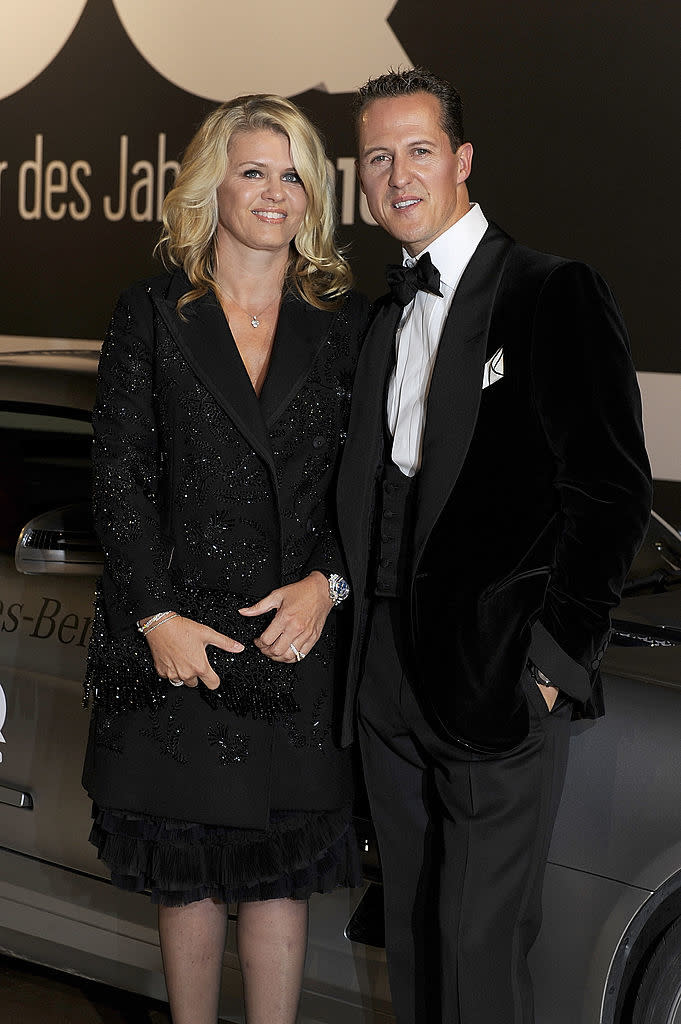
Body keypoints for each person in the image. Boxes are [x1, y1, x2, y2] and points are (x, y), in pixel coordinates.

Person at [336, 68, 652, 1024]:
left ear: (462, 161)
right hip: (385, 678)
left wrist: (553, 663)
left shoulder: (549, 292)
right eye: (378, 158)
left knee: (481, 946)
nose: (398, 175)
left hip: (498, 683)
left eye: (418, 151)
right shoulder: (382, 316)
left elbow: (610, 491)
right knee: (416, 938)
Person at [82, 94, 367, 1024]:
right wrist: (157, 617)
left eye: (293, 175)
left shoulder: (346, 323)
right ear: (213, 185)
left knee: (280, 882)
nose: (275, 192)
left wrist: (327, 588)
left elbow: (366, 489)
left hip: (295, 639)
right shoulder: (152, 314)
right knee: (188, 881)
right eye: (253, 170)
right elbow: (118, 478)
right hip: (179, 647)